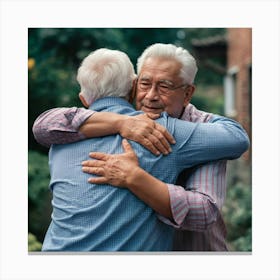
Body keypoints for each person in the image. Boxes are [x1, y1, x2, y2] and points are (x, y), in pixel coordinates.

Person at [33, 45, 250, 251]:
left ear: (187, 94)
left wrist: (136, 179)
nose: (151, 96)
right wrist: (120, 122)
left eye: (164, 86)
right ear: (133, 86)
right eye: (145, 84)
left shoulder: (199, 132)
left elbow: (204, 211)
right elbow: (42, 126)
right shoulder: (72, 129)